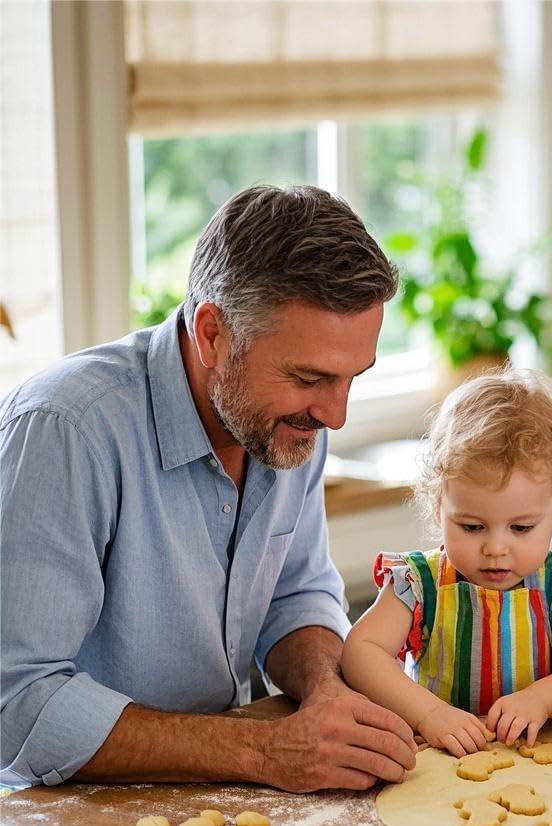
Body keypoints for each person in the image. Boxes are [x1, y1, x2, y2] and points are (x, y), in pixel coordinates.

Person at [0, 185, 418, 792]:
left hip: (220, 788)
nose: (336, 414)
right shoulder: (65, 430)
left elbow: (294, 594)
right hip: (63, 818)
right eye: (311, 377)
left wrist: (326, 687)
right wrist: (263, 751)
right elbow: (16, 701)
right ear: (212, 333)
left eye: (354, 377)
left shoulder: (292, 417)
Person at [341, 367, 552, 756]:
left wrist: (540, 699)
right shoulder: (420, 583)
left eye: (521, 528)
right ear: (438, 505)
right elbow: (361, 651)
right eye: (471, 526)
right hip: (439, 758)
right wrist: (428, 714)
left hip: (537, 758)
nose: (495, 548)